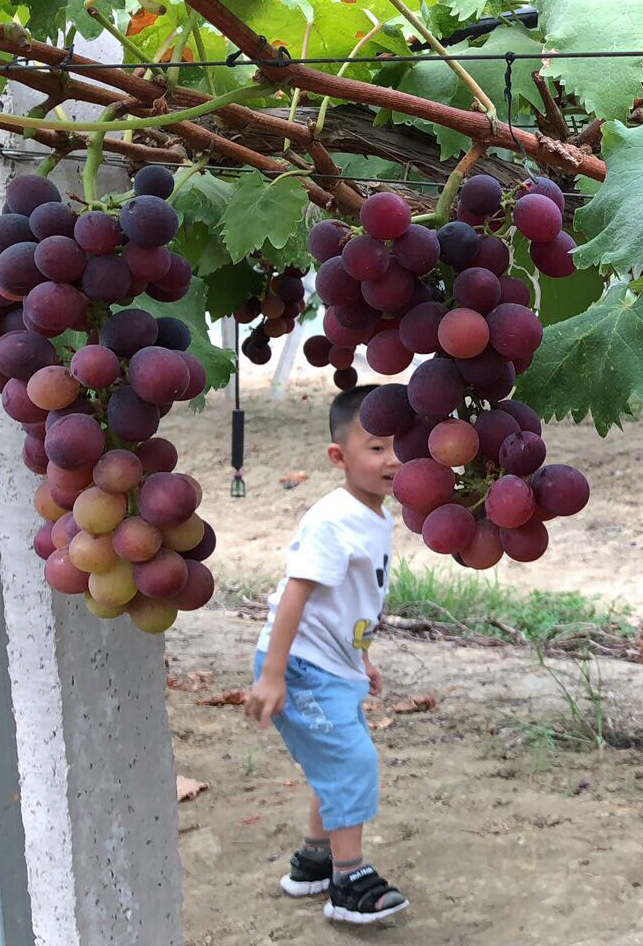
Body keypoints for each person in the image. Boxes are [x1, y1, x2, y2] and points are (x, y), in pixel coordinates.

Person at [245, 384, 408, 924]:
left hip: (333, 665)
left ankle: (315, 861)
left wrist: (361, 658)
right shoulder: (333, 519)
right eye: (377, 447)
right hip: (299, 667)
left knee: (333, 763)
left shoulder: (375, 515)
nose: (395, 459)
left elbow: (348, 603)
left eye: (403, 444)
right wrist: (272, 675)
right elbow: (295, 593)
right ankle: (349, 880)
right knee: (351, 762)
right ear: (339, 457)